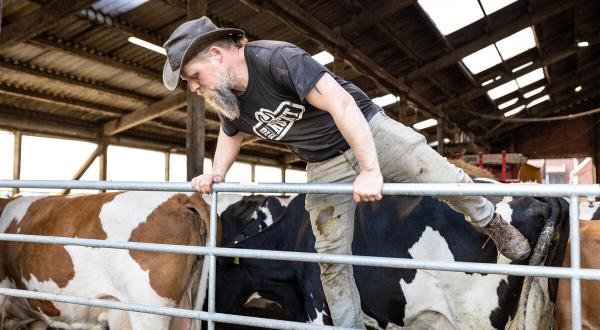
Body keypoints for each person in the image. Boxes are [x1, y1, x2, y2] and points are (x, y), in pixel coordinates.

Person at [162, 17, 531, 329]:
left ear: (216, 54)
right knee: (331, 259)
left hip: (371, 131)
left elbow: (342, 104)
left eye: (193, 76)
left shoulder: (278, 60)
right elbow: (232, 134)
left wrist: (370, 168)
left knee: (448, 181)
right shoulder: (230, 99)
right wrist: (216, 174)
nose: (193, 87)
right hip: (323, 163)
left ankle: (494, 224)